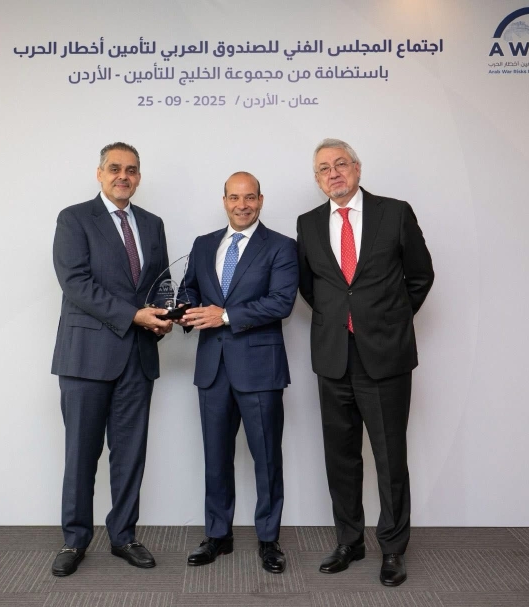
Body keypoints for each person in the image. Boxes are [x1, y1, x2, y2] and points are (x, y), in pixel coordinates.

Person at [296, 139, 434, 586]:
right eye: (324, 169)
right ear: (317, 179)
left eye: (340, 164)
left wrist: (387, 320)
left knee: (390, 458)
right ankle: (349, 541)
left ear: (357, 168)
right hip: (333, 356)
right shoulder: (308, 223)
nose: (333, 173)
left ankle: (392, 548)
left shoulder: (394, 213)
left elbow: (421, 275)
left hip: (385, 356)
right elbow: (311, 287)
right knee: (340, 456)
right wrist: (341, 321)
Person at [50, 142, 173, 577]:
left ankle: (124, 536)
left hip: (138, 356)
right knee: (81, 455)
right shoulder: (74, 219)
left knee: (129, 455)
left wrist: (164, 316)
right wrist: (134, 315)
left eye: (132, 170)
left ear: (139, 177)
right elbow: (76, 284)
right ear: (99, 173)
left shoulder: (152, 224)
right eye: (115, 168)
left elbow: (161, 283)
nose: (124, 176)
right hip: (86, 357)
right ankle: (74, 540)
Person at [177, 172, 299, 574]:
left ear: (260, 200)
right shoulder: (203, 244)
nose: (241, 205)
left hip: (260, 369)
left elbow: (281, 302)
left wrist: (225, 315)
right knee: (215, 458)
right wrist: (183, 310)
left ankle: (269, 540)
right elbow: (190, 289)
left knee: (266, 458)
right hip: (212, 368)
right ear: (224, 200)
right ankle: (218, 535)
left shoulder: (281, 246)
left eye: (249, 198)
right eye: (234, 197)